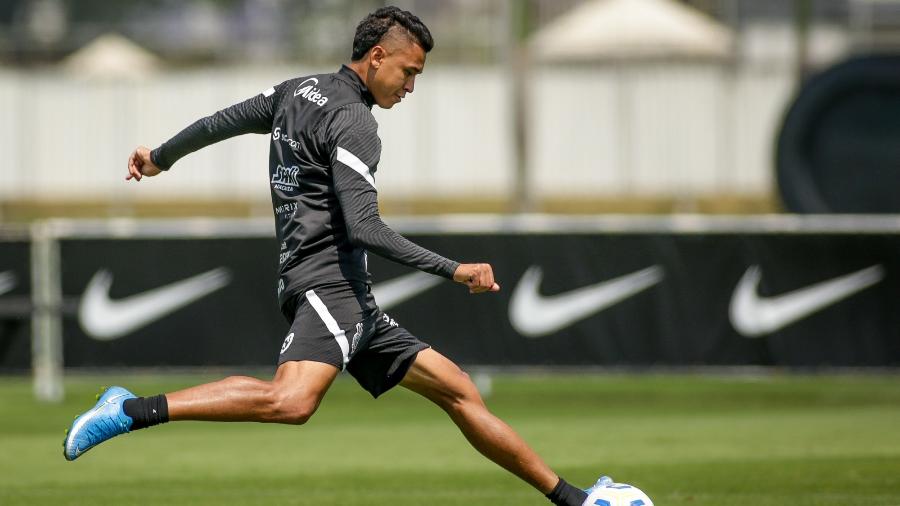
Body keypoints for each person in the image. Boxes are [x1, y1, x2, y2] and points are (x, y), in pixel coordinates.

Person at [63, 7, 599, 506]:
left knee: (459, 392)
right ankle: (130, 410)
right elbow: (365, 228)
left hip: (346, 296)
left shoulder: (297, 92)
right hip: (330, 286)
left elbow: (221, 122)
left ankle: (578, 499)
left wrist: (160, 157)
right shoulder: (355, 123)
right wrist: (454, 269)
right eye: (409, 72)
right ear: (378, 57)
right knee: (291, 402)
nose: (411, 86)